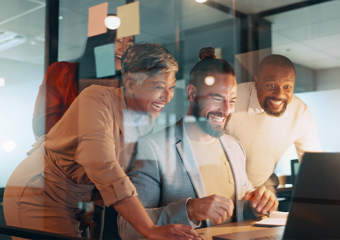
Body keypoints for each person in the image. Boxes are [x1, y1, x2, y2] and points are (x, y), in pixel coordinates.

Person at [3, 43, 201, 240]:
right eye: (159, 87)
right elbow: (103, 166)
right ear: (131, 85)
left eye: (172, 87)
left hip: (77, 201)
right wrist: (149, 228)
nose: (167, 97)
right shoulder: (95, 99)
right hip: (40, 192)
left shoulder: (145, 119)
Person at [117, 47, 278, 240]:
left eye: (232, 100)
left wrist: (258, 205)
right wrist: (189, 209)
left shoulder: (234, 146)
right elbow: (127, 227)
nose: (226, 110)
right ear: (192, 93)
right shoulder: (153, 147)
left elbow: (239, 211)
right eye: (217, 98)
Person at [226, 54, 323, 194]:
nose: (279, 94)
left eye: (287, 87)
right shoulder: (231, 100)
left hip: (261, 187)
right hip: (222, 184)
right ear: (257, 83)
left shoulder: (300, 112)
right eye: (271, 85)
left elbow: (315, 166)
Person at [32, 28, 134, 139]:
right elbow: (44, 123)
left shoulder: (125, 87)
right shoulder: (63, 72)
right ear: (100, 41)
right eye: (118, 40)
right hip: (70, 153)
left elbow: (130, 134)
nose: (124, 49)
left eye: (129, 45)